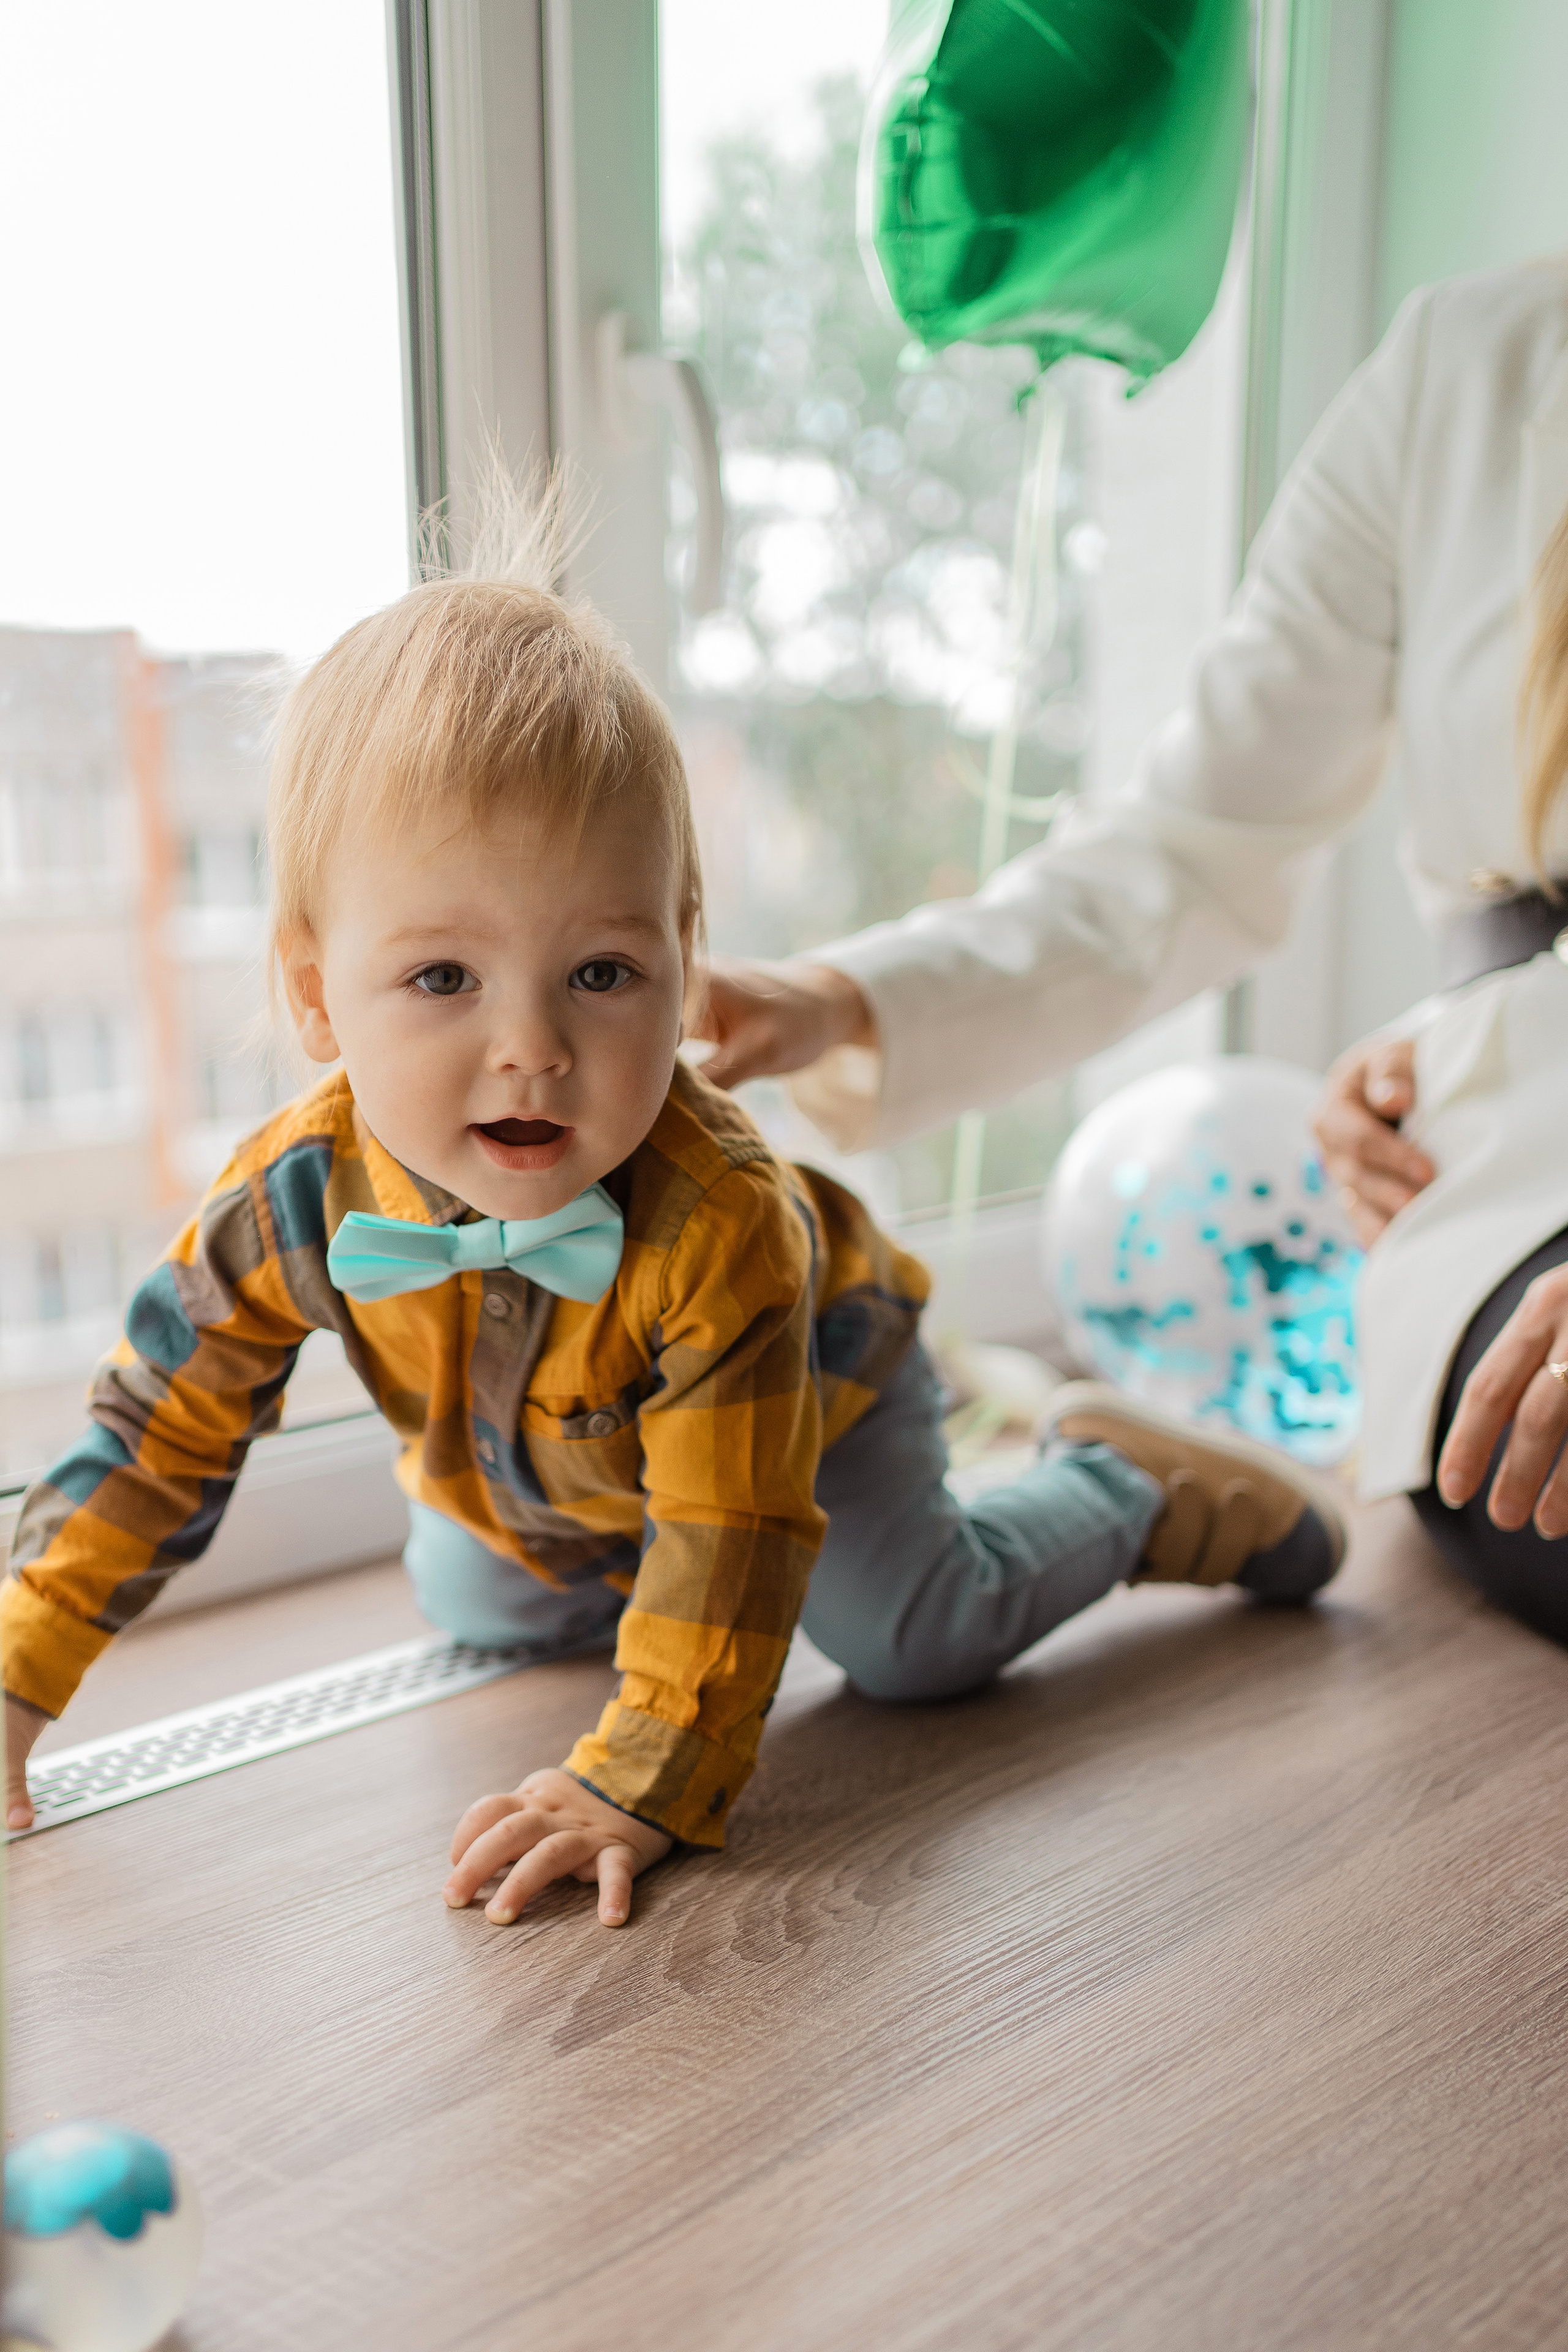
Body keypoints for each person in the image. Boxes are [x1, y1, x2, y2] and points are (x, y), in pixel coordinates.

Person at [0, 498, 1349, 1917]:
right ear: (311, 991)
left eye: (600, 974)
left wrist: (642, 1769)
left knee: (907, 1641)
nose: (529, 1046)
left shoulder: (718, 1224)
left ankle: (1124, 1488)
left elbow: (733, 1529)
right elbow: (155, 1438)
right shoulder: (286, 1198)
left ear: (684, 967)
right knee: (482, 1607)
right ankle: (596, 1565)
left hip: (809, 1393)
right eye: (444, 980)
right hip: (552, 1458)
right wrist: (19, 1671)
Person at [697, 255, 1568, 1646]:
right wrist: (835, 999)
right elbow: (1189, 839)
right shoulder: (1463, 365)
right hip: (1511, 1189)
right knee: (1521, 1462)